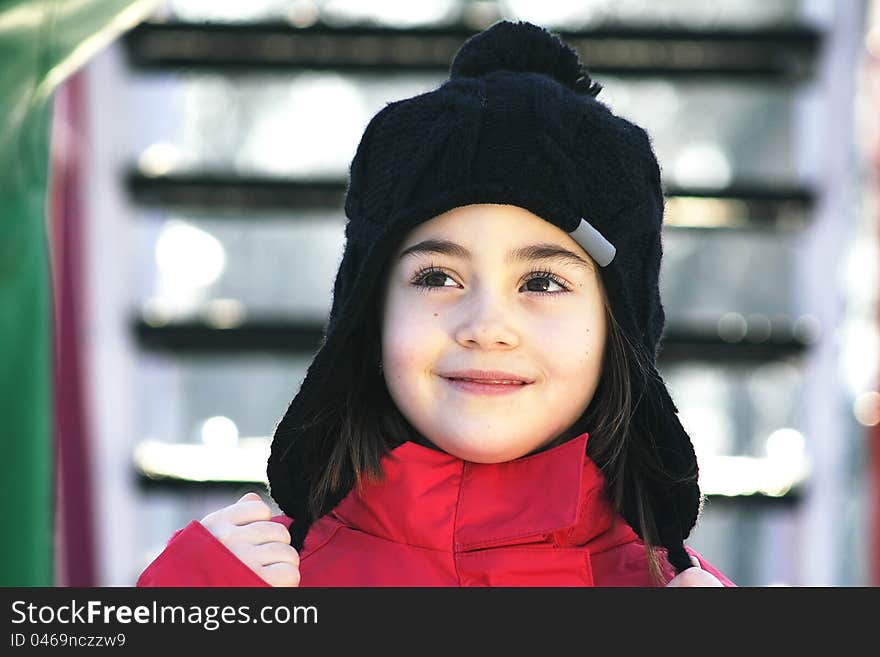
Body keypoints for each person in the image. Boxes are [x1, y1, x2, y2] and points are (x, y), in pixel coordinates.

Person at [138, 20, 735, 588]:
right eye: (437, 277)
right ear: (368, 314)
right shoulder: (248, 582)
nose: (486, 326)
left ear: (616, 326)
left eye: (543, 283)